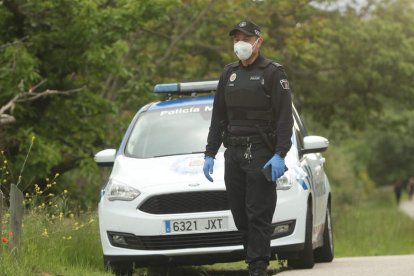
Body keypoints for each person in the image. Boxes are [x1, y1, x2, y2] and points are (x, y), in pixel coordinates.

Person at [203, 20, 293, 276]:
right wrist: (210, 152)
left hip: (261, 153)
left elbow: (284, 118)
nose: (239, 43)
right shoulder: (228, 73)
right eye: (235, 39)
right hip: (234, 153)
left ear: (258, 42)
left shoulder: (273, 72)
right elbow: (218, 117)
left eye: (245, 38)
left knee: (258, 213)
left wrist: (280, 153)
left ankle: (258, 266)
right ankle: (253, 259)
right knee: (240, 213)